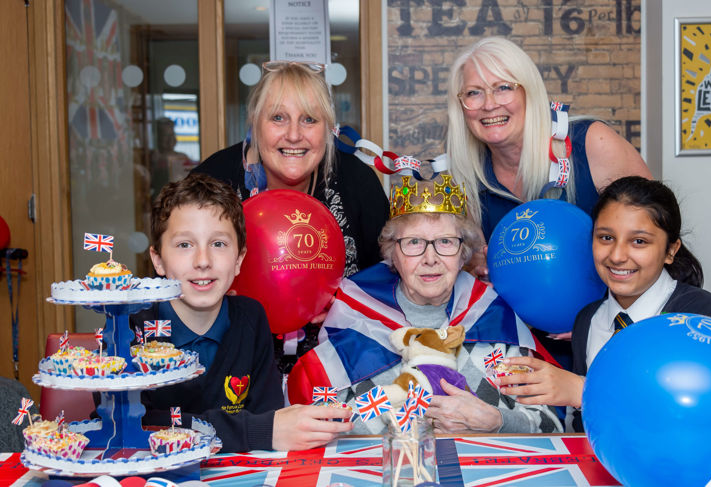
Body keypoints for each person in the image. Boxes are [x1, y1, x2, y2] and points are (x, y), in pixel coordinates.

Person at [287, 174, 562, 435]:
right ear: (393, 254)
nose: (430, 258)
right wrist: (407, 417)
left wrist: (497, 421)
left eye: (445, 242)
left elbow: (552, 421)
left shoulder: (493, 316)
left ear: (463, 253)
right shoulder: (354, 317)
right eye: (414, 242)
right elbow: (317, 418)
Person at [131, 173, 353, 452]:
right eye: (184, 245)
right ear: (158, 260)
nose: (203, 261)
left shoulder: (250, 318)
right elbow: (137, 427)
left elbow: (268, 417)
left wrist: (262, 429)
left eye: (219, 244)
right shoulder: (130, 326)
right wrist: (254, 430)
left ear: (239, 260)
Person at [193, 62, 389, 373]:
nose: (294, 135)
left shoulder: (356, 183)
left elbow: (388, 280)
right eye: (278, 118)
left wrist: (347, 304)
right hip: (228, 369)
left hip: (339, 365)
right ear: (256, 123)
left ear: (327, 128)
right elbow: (174, 277)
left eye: (309, 119)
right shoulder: (212, 181)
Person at [497, 176, 711, 430]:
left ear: (671, 251)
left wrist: (582, 390)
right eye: (606, 238)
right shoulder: (587, 319)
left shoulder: (696, 312)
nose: (617, 256)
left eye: (639, 241)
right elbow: (581, 425)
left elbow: (698, 415)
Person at [446, 36, 652, 242]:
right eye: (474, 92)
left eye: (503, 88)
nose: (489, 105)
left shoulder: (593, 143)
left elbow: (657, 230)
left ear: (530, 92)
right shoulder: (464, 179)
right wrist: (472, 263)